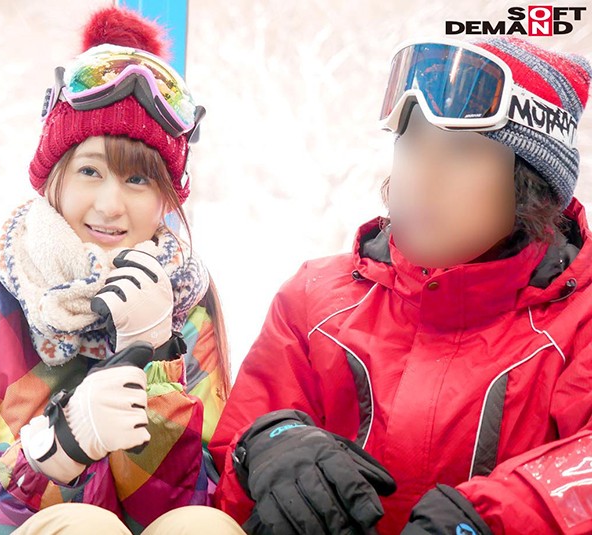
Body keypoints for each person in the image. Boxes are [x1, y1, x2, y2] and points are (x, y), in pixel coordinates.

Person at [210, 36, 592, 534]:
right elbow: (227, 482)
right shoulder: (314, 301)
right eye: (411, 143)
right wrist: (264, 447)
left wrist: (491, 519)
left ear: (530, 185)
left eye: (460, 151)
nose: (420, 177)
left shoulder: (579, 323)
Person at [0, 7, 243, 534]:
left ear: (166, 199)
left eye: (137, 180)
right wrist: (54, 451)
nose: (109, 205)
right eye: (90, 171)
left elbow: (200, 502)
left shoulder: (186, 311)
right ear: (53, 177)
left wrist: (154, 359)